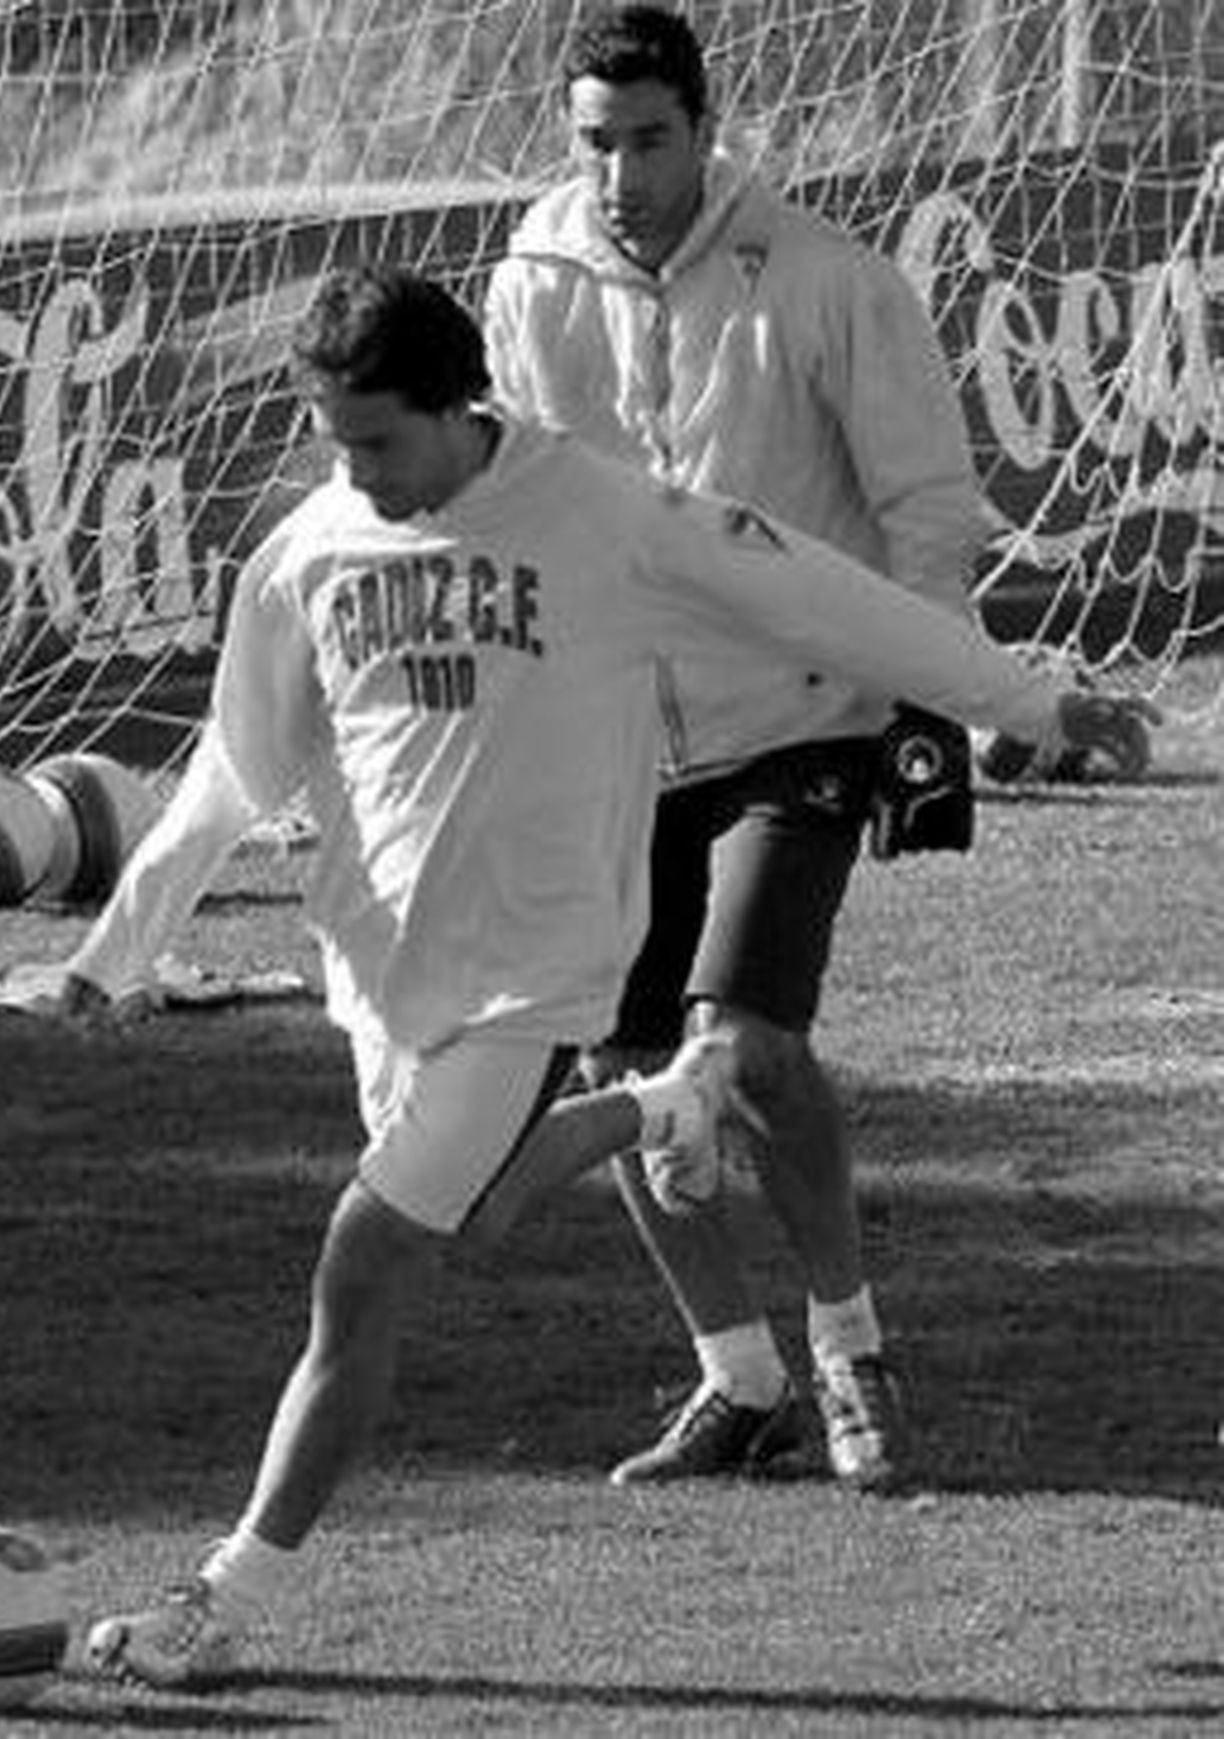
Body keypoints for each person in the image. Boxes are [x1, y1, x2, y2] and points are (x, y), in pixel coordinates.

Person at [72, 264, 1145, 1690]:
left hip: (537, 974)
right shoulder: (309, 550)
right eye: (332, 440)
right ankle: (667, 1104)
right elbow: (236, 772)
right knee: (479, 1219)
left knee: (365, 1267)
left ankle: (218, 1599)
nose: (355, 470)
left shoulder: (605, 516)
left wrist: (1031, 701)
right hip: (381, 979)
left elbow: (830, 603)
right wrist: (114, 951)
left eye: (376, 440)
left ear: (459, 406)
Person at [483, 3, 996, 1490]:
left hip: (805, 714)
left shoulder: (831, 281)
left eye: (650, 141)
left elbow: (926, 506)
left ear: (709, 131)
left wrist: (929, 698)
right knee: (622, 1056)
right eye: (596, 144)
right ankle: (739, 1378)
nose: (623, 176)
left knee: (753, 1048)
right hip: (614, 731)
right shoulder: (530, 274)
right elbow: (519, 498)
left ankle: (852, 1355)